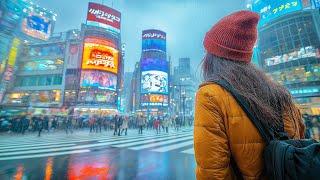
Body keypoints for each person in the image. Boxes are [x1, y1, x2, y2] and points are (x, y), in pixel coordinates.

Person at [194, 11, 305, 179]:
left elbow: (212, 173)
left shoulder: (210, 95)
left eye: (207, 51)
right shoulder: (280, 93)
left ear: (214, 56)